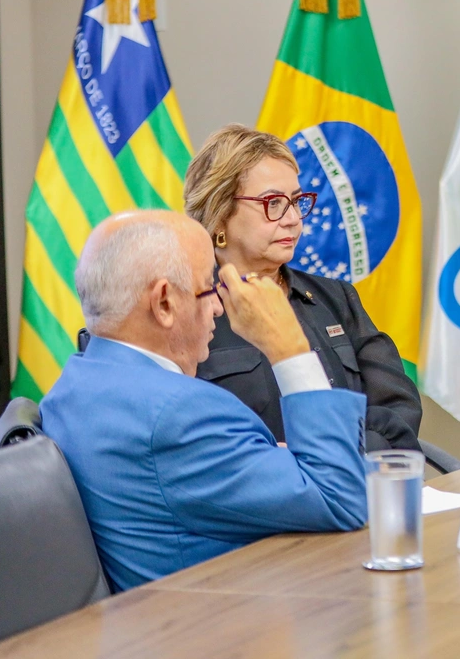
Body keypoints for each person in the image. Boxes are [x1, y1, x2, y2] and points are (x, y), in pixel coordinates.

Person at [40, 211, 367, 592]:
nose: (217, 307)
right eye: (208, 287)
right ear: (164, 303)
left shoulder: (70, 388)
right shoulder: (183, 415)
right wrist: (289, 346)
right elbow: (341, 497)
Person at [184, 124, 421, 451]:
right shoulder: (189, 310)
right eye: (273, 203)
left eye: (296, 201)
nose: (294, 218)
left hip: (359, 486)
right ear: (219, 212)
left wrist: (343, 459)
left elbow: (399, 407)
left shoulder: (335, 295)